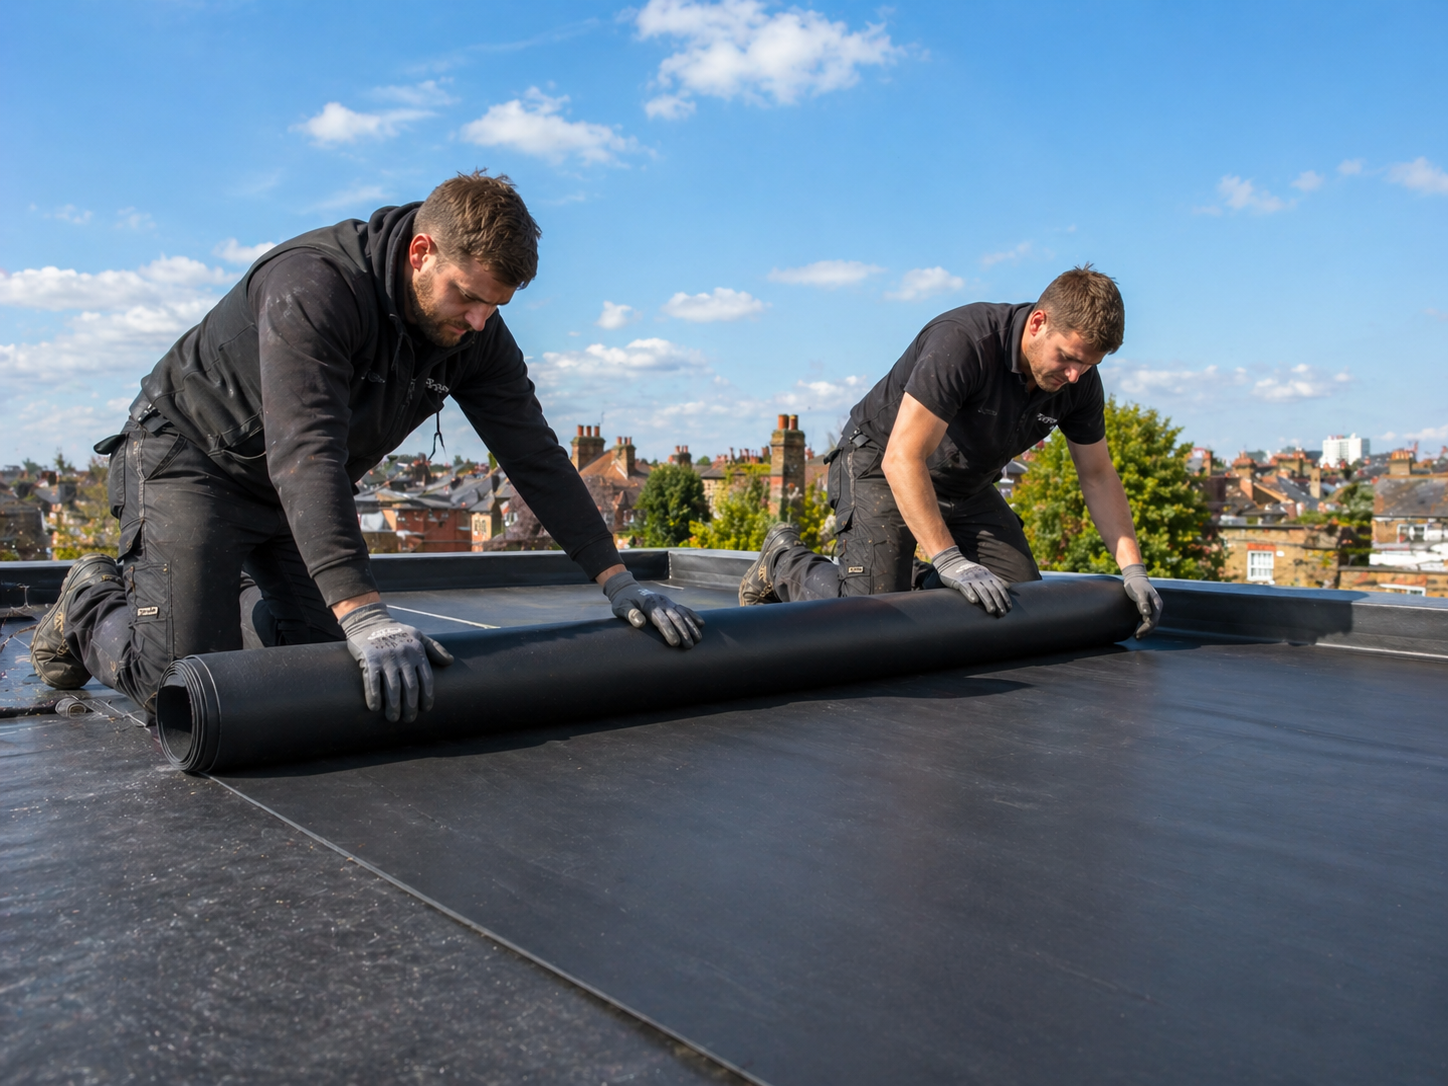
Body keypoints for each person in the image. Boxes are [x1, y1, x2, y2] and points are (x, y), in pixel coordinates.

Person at [31, 171, 703, 724]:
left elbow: (537, 458)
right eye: (468, 297)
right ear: (421, 252)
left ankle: (212, 587)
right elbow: (307, 451)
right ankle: (87, 605)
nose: (478, 321)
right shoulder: (315, 286)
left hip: (291, 492)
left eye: (494, 307)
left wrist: (617, 582)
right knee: (184, 687)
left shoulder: (474, 334)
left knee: (332, 672)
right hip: (192, 462)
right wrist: (364, 613)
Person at [739, 266, 1163, 636]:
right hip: (880, 467)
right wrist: (949, 560)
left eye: (1088, 365)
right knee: (873, 619)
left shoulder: (1078, 383)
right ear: (1038, 323)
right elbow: (902, 458)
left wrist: (1133, 569)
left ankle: (899, 571)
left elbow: (1097, 475)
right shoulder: (965, 342)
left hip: (966, 485)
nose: (1074, 376)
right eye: (1067, 358)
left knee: (1021, 603)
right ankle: (784, 561)